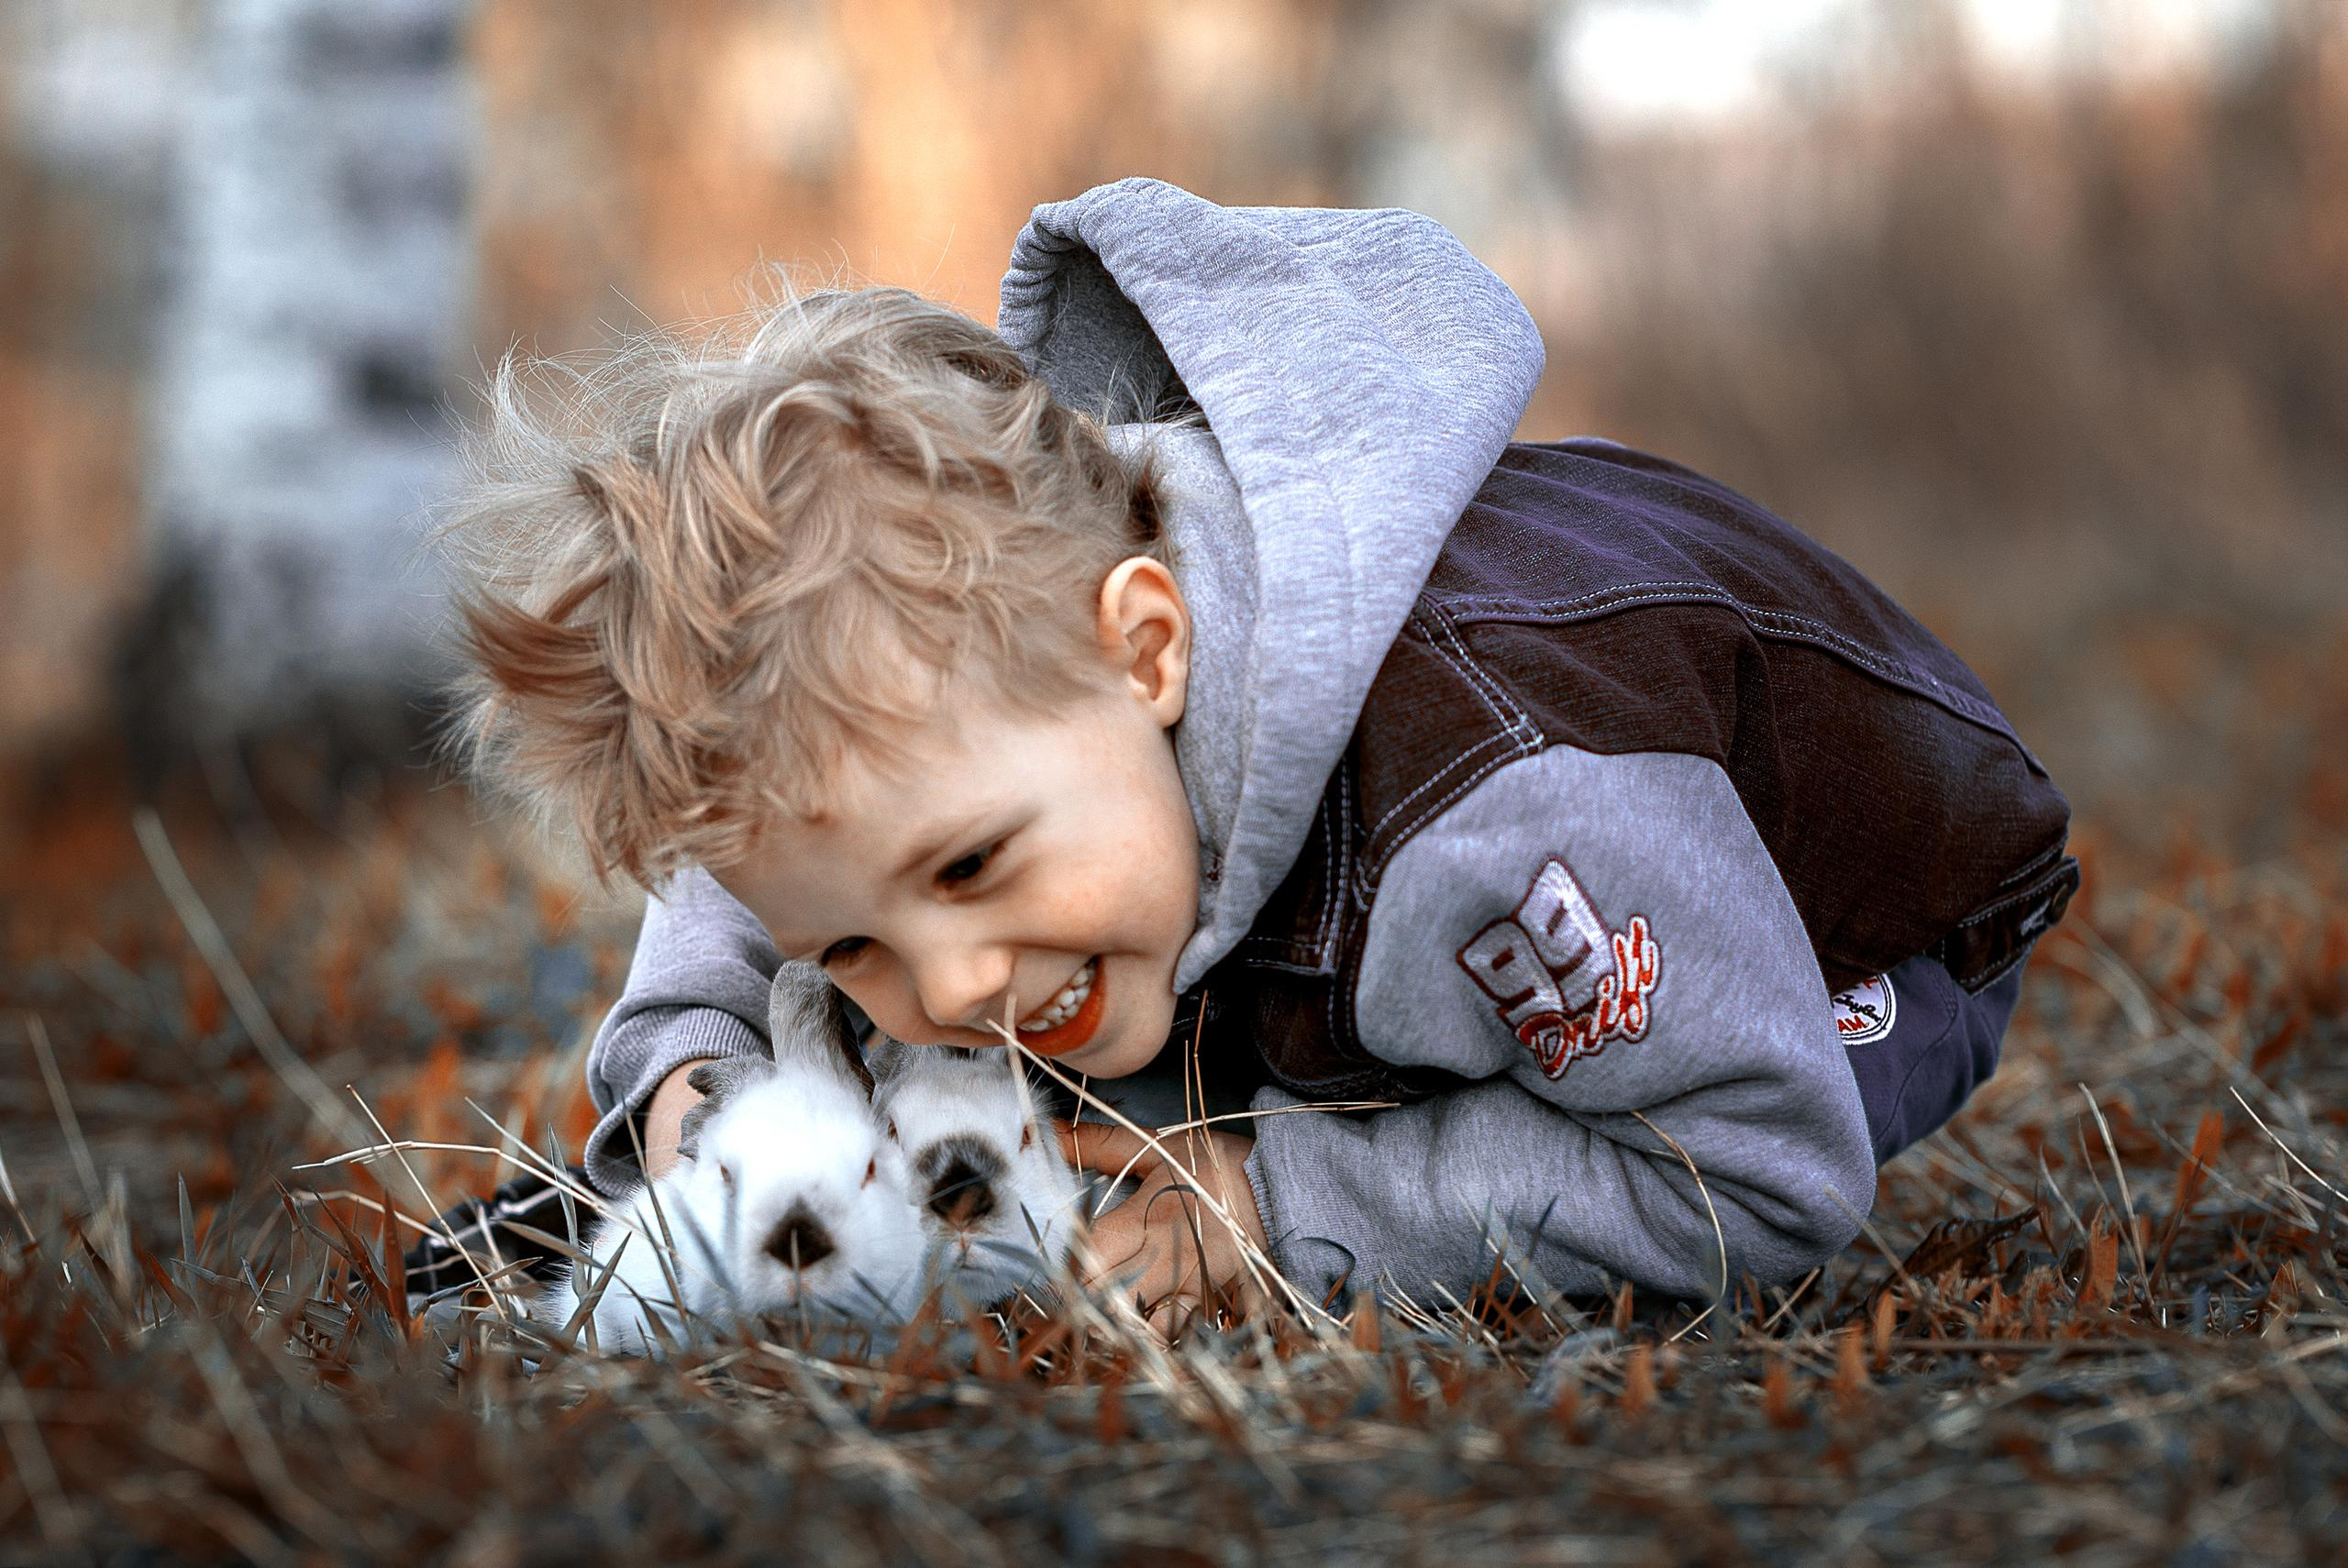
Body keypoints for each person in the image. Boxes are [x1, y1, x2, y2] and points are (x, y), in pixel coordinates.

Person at [436, 177, 2076, 1327]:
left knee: (1227, 1148)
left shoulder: (1492, 812)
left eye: (972, 865)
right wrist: (698, 1072)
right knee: (990, 1038)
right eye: (858, 939)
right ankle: (735, 1225)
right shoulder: (1006, 716)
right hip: (1320, 873)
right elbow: (775, 858)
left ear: (1147, 647)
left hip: (1832, 951)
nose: (951, 981)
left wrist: (1279, 1214)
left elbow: (1763, 1170)